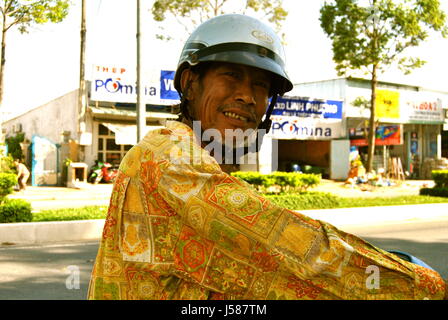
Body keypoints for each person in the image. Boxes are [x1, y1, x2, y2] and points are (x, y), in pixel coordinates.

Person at [88, 14, 447, 300]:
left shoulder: (201, 164)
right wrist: (417, 282)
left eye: (261, 85)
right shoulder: (168, 159)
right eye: (232, 75)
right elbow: (292, 248)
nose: (247, 96)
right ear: (189, 83)